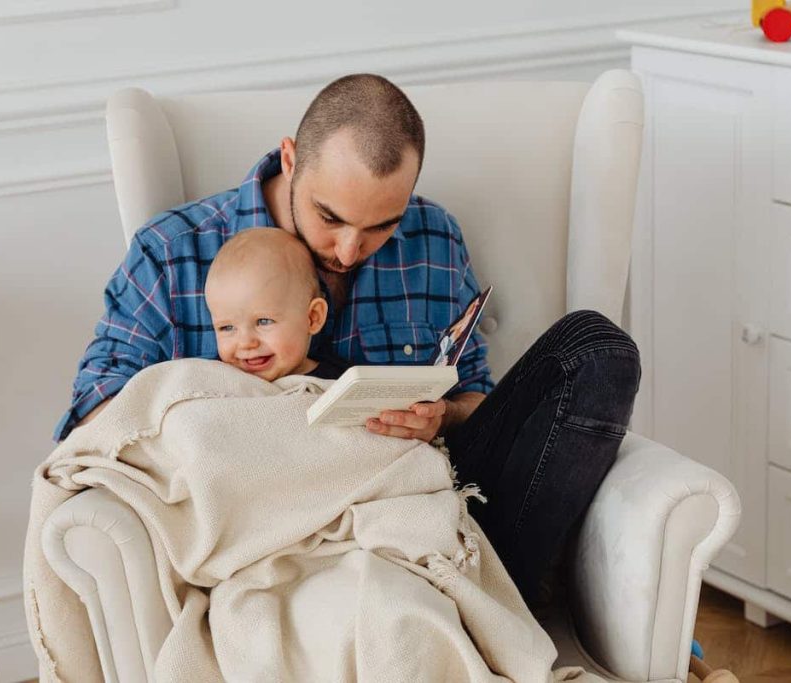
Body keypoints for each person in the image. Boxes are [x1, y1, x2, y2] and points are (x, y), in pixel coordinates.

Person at [56, 73, 640, 608]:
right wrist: (230, 421)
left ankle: (481, 607)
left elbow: (478, 400)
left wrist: (442, 417)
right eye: (330, 217)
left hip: (425, 506)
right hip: (277, 534)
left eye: (382, 225)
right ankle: (499, 620)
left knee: (598, 350)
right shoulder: (171, 253)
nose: (349, 250)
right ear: (291, 158)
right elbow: (94, 418)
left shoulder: (433, 238)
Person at [204, 227, 348, 382]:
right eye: (227, 327)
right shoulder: (219, 382)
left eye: (263, 321)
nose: (246, 343)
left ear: (312, 317)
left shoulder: (342, 381)